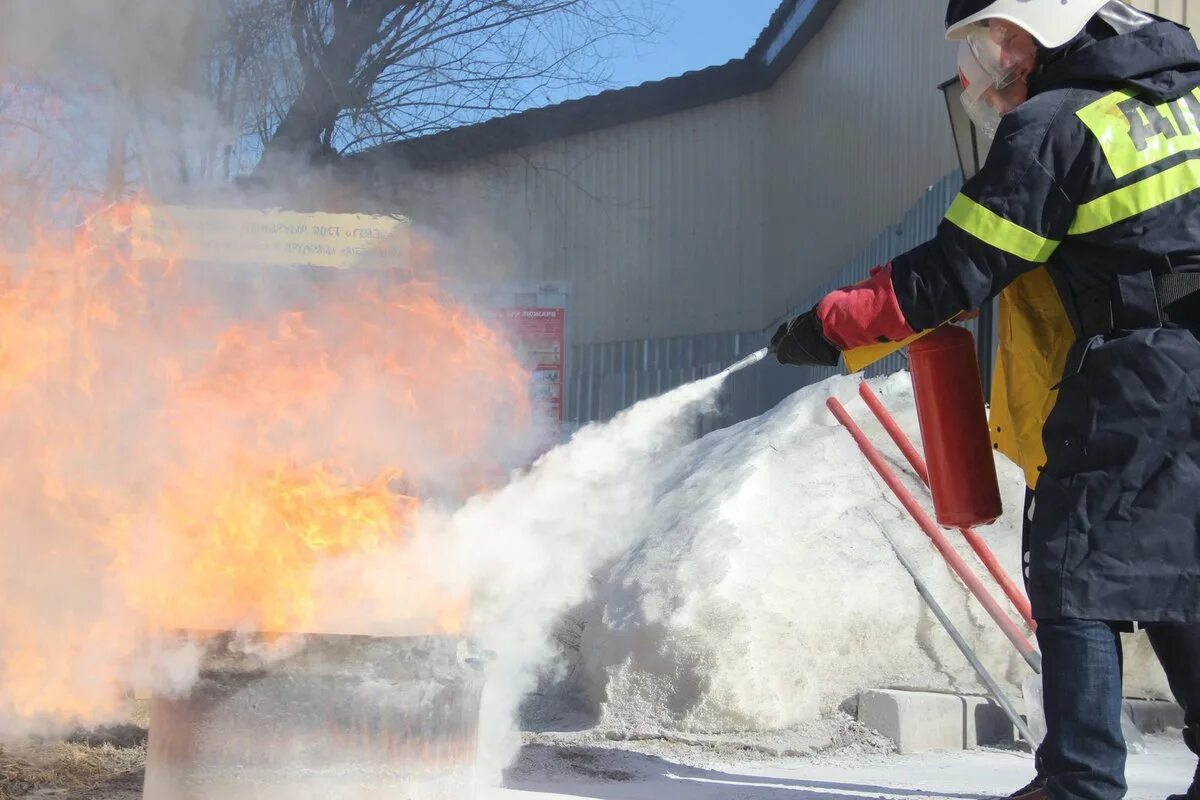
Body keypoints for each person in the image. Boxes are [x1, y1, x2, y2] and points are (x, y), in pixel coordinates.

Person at [772, 2, 1200, 798]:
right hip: (1188, 369)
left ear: (1056, 23)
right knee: (1179, 562)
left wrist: (828, 327)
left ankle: (1080, 781)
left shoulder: (1056, 124)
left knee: (1073, 571)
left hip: (1135, 378)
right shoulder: (1185, 101)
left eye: (1000, 37)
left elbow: (952, 270)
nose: (992, 61)